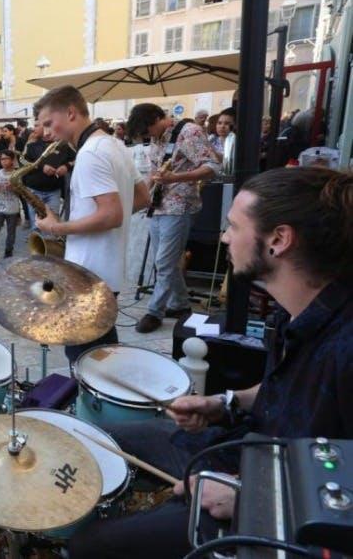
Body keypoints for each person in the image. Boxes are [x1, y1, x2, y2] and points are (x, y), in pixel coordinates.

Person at [69, 166, 353, 559]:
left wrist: (244, 494)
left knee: (89, 547)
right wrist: (223, 403)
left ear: (278, 240)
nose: (223, 237)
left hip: (279, 515)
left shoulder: (345, 347)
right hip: (243, 447)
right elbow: (283, 394)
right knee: (90, 438)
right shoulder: (294, 313)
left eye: (234, 227)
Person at [34, 86, 149, 363]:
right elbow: (142, 197)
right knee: (103, 351)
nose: (46, 133)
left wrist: (56, 228)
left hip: (89, 274)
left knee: (84, 357)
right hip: (108, 272)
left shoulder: (90, 153)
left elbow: (111, 215)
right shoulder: (115, 145)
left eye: (49, 123)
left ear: (71, 113)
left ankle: (94, 403)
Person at [127, 104, 220, 333]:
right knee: (165, 263)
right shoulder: (159, 138)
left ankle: (154, 312)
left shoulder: (189, 132)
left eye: (149, 132)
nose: (149, 137)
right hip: (160, 206)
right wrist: (140, 198)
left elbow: (212, 166)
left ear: (159, 118)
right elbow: (154, 172)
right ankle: (180, 305)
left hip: (180, 206)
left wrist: (177, 177)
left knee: (164, 263)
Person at [22, 106, 75, 233]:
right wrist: (41, 166)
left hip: (54, 191)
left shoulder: (63, 145)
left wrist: (66, 166)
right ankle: (38, 251)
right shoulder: (31, 146)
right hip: (34, 191)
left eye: (36, 126)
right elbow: (23, 162)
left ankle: (50, 250)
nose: (33, 129)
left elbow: (77, 159)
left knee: (53, 225)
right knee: (37, 226)